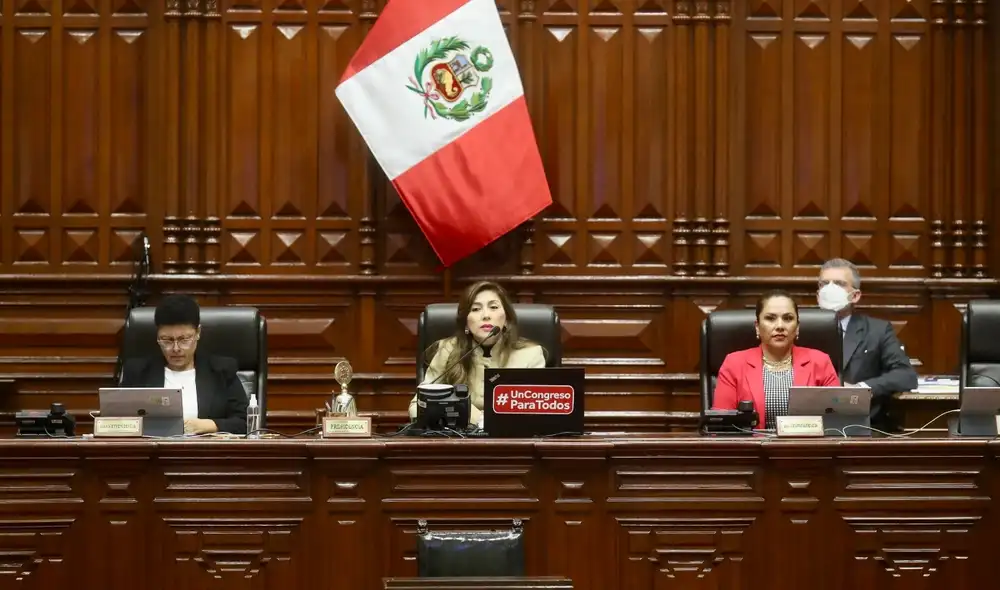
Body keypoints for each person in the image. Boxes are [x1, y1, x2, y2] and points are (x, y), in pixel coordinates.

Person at [408, 281, 547, 428]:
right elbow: (417, 406)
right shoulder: (448, 350)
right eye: (475, 309)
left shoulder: (531, 354)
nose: (486, 315)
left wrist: (483, 421)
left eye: (493, 307)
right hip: (457, 440)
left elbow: (535, 415)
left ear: (506, 319)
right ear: (466, 323)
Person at [120, 295, 249, 435]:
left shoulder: (221, 370)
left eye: (184, 339)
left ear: (198, 333)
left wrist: (210, 425)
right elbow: (118, 421)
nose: (176, 348)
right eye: (167, 340)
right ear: (157, 336)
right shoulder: (138, 372)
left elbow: (245, 422)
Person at [712, 290, 841, 430]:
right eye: (770, 318)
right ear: (757, 327)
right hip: (753, 448)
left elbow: (837, 421)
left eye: (788, 318)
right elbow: (722, 426)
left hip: (806, 448)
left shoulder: (820, 362)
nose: (780, 326)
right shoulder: (734, 363)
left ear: (797, 328)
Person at [817, 258, 917, 430]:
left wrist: (860, 389)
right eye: (824, 283)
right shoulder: (797, 329)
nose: (830, 289)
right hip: (809, 423)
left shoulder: (877, 330)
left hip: (861, 425)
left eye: (839, 284)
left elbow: (905, 375)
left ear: (855, 295)